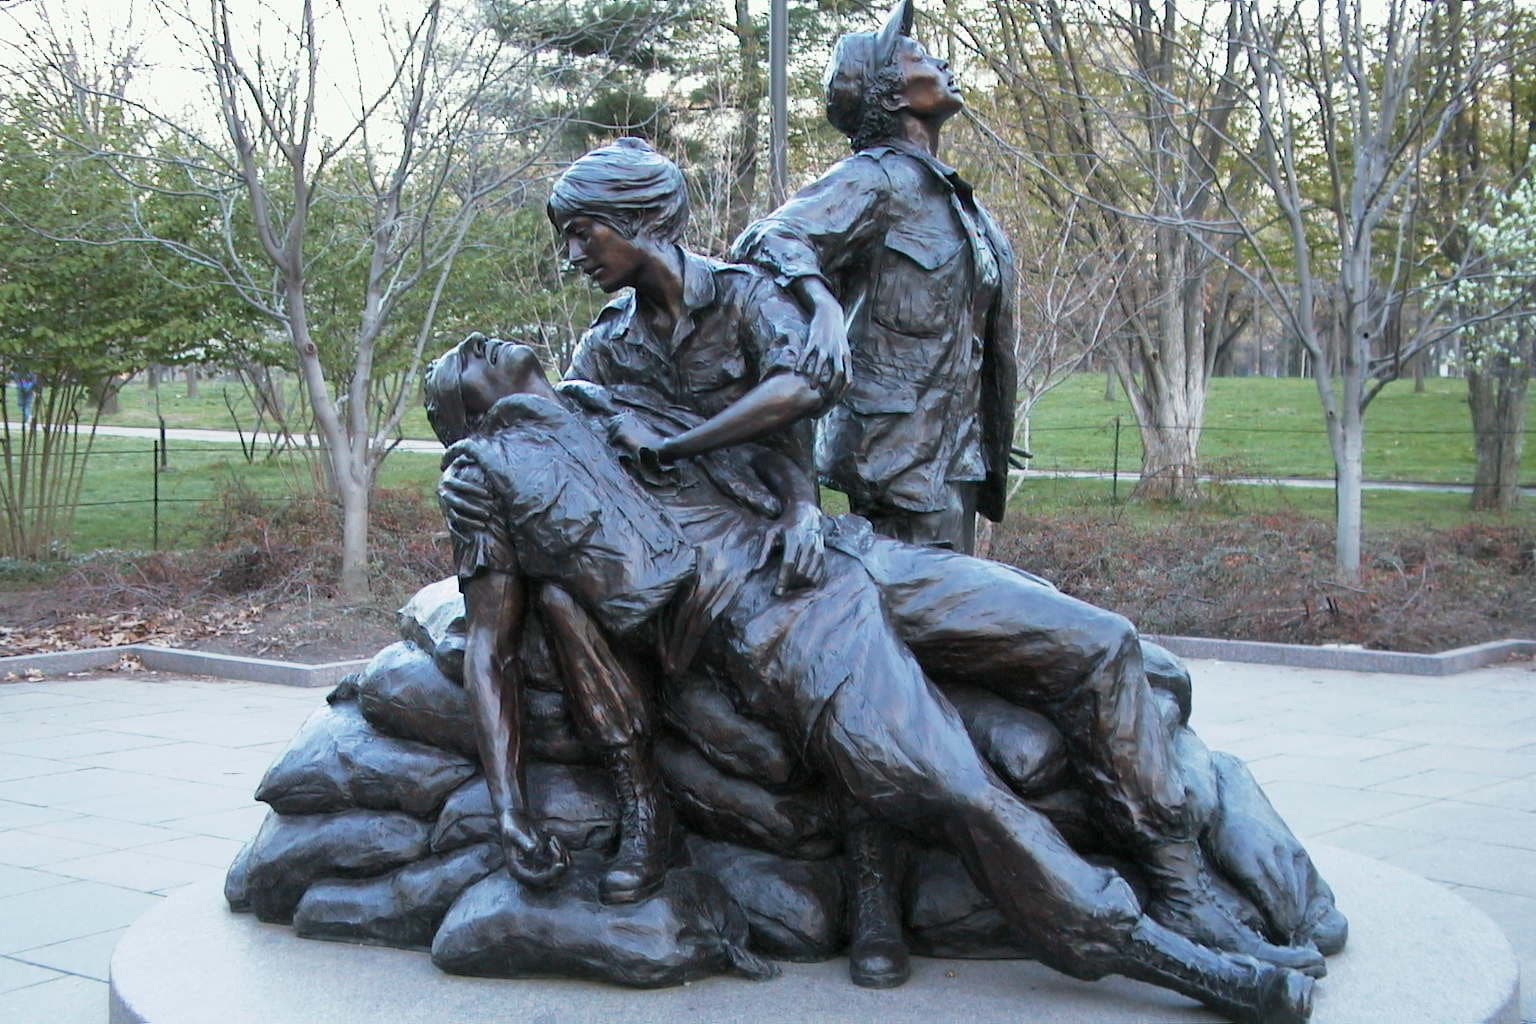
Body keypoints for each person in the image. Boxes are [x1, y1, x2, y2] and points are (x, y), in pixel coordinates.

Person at [423, 335, 1319, 1024]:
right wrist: (510, 807)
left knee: (1099, 643)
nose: (487, 345)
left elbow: (768, 446)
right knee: (956, 788)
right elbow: (490, 650)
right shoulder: (482, 476)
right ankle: (1182, 964)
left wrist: (804, 505)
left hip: (848, 554)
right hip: (770, 619)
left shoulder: (608, 396)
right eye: (466, 361)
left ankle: (1183, 886)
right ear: (463, 415)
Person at [731, 0, 1015, 555]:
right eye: (921, 57)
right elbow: (767, 240)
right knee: (924, 620)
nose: (942, 63)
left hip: (957, 449)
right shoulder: (873, 181)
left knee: (955, 620)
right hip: (898, 456)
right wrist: (823, 306)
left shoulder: (952, 199)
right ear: (892, 95)